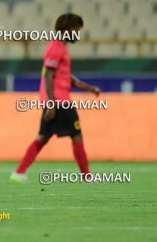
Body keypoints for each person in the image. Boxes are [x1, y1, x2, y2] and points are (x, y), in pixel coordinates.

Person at [11, 13, 100, 183]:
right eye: (76, 30)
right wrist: (51, 104)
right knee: (76, 134)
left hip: (55, 100)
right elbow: (48, 76)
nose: (77, 34)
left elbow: (65, 77)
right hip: (60, 102)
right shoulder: (56, 48)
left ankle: (20, 171)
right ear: (67, 30)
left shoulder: (59, 48)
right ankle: (87, 176)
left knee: (42, 137)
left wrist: (88, 88)